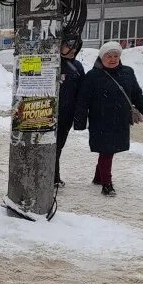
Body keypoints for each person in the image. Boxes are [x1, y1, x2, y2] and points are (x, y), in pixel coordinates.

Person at [73, 42, 143, 197]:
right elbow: (83, 101)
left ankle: (98, 177)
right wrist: (80, 122)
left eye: (115, 56)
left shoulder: (127, 72)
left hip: (120, 120)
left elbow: (136, 95)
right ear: (101, 58)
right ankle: (107, 185)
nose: (112, 59)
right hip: (100, 120)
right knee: (107, 151)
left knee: (109, 151)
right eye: (108, 56)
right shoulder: (92, 76)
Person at [54, 35, 85, 187]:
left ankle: (54, 175)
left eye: (75, 46)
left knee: (58, 146)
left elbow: (83, 93)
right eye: (68, 46)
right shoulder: (52, 63)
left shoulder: (77, 67)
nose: (72, 49)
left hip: (67, 115)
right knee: (49, 146)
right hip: (48, 113)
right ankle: (53, 175)